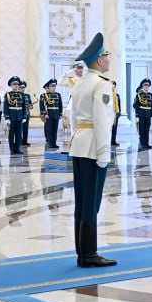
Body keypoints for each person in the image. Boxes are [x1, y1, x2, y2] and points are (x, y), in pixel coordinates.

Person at [68, 32, 117, 268]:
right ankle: (89, 254)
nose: (109, 60)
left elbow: (73, 117)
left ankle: (82, 251)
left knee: (82, 201)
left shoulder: (80, 83)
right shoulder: (101, 84)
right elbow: (102, 121)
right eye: (107, 56)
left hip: (79, 145)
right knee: (91, 202)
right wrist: (104, 153)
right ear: (99, 60)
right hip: (92, 149)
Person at [3, 77, 26, 154]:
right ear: (11, 85)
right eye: (14, 84)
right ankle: (12, 149)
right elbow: (6, 107)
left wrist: (24, 116)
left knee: (19, 134)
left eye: (17, 84)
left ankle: (17, 149)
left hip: (19, 117)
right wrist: (7, 118)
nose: (16, 85)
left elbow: (24, 107)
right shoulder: (8, 95)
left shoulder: (22, 95)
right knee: (11, 134)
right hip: (11, 117)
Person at [40, 79, 63, 149]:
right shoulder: (43, 95)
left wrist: (60, 114)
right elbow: (42, 105)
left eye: (54, 86)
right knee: (49, 130)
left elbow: (60, 105)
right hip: (49, 114)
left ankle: (54, 143)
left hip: (56, 114)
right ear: (48, 87)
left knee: (55, 130)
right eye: (52, 86)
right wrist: (45, 114)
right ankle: (49, 143)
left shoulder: (58, 95)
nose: (53, 87)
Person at [134, 78, 152, 150]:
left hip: (148, 114)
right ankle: (142, 144)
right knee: (142, 130)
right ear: (142, 86)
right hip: (141, 114)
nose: (147, 86)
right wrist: (137, 115)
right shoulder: (139, 94)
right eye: (145, 85)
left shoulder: (151, 95)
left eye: (148, 85)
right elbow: (136, 105)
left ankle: (146, 144)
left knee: (147, 130)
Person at [110, 81, 121, 148]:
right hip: (109, 114)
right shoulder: (108, 94)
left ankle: (113, 141)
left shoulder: (117, 95)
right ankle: (108, 141)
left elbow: (119, 104)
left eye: (114, 85)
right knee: (109, 128)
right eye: (112, 85)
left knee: (114, 128)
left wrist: (119, 113)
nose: (113, 86)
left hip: (115, 113)